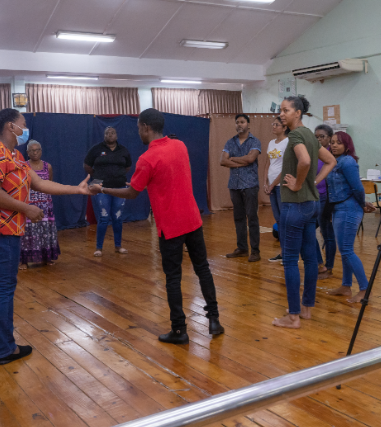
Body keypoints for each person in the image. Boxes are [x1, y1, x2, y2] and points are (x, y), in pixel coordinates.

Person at [0, 108, 100, 365]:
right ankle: (5, 350)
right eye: (23, 123)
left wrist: (77, 189)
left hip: (5, 229)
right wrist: (26, 208)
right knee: (3, 290)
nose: (26, 128)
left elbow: (39, 183)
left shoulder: (15, 155)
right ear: (11, 126)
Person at [99, 109, 223, 344]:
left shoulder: (147, 159)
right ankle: (214, 320)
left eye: (138, 128)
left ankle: (179, 330)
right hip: (193, 219)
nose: (138, 132)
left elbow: (132, 193)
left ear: (146, 127)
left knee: (173, 277)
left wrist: (103, 189)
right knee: (203, 269)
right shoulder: (180, 146)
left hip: (170, 225)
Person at [273, 97, 336, 329]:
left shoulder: (296, 135)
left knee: (290, 260)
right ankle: (306, 308)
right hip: (311, 205)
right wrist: (313, 183)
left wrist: (299, 184)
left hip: (296, 205)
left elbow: (305, 161)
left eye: (286, 110)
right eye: (281, 110)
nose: (282, 114)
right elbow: (330, 161)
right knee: (310, 259)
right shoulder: (309, 134)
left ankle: (293, 317)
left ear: (297, 113)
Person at [325, 132, 373, 303]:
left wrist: (362, 204)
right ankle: (346, 286)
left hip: (349, 208)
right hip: (339, 208)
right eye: (332, 142)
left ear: (347, 146)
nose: (334, 145)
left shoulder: (348, 162)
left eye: (338, 142)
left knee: (346, 250)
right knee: (345, 250)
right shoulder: (333, 161)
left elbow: (358, 188)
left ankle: (365, 289)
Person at [84, 126, 132, 256]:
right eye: (107, 133)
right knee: (104, 217)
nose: (110, 135)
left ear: (117, 135)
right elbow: (87, 165)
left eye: (112, 133)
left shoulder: (123, 150)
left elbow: (128, 167)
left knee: (117, 217)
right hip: (101, 189)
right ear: (104, 135)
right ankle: (99, 248)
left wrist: (117, 175)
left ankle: (118, 246)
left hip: (120, 188)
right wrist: (97, 175)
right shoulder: (96, 149)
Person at [220, 114, 262, 262]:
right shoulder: (230, 142)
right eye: (237, 122)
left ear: (248, 124)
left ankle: (255, 251)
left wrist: (232, 159)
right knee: (238, 218)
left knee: (252, 217)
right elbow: (222, 161)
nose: (239, 124)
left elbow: (251, 158)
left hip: (250, 185)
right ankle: (242, 248)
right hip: (234, 185)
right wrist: (240, 163)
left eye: (242, 122)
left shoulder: (254, 141)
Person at [20, 140, 60, 269]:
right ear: (27, 152)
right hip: (30, 204)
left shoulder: (48, 166)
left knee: (46, 231)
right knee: (28, 233)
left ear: (41, 151)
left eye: (37, 150)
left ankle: (47, 257)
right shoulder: (24, 166)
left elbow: (49, 183)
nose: (35, 153)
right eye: (32, 150)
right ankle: (24, 261)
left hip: (46, 204)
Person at [262, 116, 287, 262]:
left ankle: (289, 253)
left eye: (277, 125)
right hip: (271, 186)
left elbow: (286, 168)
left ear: (284, 128)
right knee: (278, 219)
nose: (274, 126)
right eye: (273, 124)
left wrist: (272, 184)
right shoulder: (271, 143)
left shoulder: (287, 142)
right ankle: (283, 252)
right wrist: (265, 182)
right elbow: (267, 164)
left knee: (284, 219)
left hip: (281, 186)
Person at [314, 124, 337, 279]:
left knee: (328, 235)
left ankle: (328, 267)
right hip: (314, 198)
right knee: (308, 231)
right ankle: (319, 263)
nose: (318, 139)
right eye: (316, 137)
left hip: (327, 199)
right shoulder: (313, 153)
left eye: (322, 136)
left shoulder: (332, 155)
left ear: (329, 138)